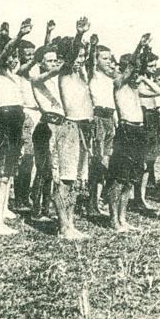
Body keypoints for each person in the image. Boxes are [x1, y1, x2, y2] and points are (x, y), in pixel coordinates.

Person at [106, 33, 160, 231]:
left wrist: (144, 77)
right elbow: (128, 69)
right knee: (120, 178)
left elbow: (158, 91)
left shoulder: (135, 88)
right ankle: (114, 220)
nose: (135, 75)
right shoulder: (119, 84)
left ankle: (123, 218)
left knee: (130, 179)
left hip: (139, 131)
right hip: (126, 130)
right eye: (134, 72)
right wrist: (139, 46)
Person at [0, 18, 32, 235]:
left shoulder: (13, 74)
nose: (12, 58)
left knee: (6, 175)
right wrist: (19, 36)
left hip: (14, 120)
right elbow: (5, 52)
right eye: (10, 54)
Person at [53, 17, 95, 239]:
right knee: (66, 179)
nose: (81, 60)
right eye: (79, 56)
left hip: (84, 129)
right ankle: (63, 227)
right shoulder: (66, 72)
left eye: (83, 56)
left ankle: (70, 223)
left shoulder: (80, 76)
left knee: (77, 180)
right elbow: (70, 58)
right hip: (70, 128)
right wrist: (79, 35)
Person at [29, 42, 63, 222]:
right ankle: (37, 211)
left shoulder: (58, 81)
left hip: (60, 126)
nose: (53, 63)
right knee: (44, 171)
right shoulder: (36, 79)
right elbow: (47, 74)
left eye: (55, 60)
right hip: (46, 126)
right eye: (49, 61)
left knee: (54, 171)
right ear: (41, 63)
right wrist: (58, 68)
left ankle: (46, 208)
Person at [87, 36, 117, 216]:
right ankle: (92, 204)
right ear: (96, 60)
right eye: (104, 58)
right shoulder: (93, 74)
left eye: (110, 58)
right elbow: (90, 62)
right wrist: (92, 46)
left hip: (109, 118)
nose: (109, 62)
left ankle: (98, 202)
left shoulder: (109, 78)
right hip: (98, 117)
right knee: (98, 162)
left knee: (107, 160)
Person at [14, 39, 39, 211]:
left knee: (33, 159)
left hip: (38, 113)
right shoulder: (18, 69)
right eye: (27, 54)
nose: (30, 57)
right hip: (26, 113)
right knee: (25, 158)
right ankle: (19, 198)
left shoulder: (35, 69)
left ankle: (27, 196)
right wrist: (35, 59)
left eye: (33, 53)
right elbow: (26, 68)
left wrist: (48, 34)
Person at [138, 47, 160, 210]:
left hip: (153, 118)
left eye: (155, 66)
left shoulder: (148, 79)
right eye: (151, 66)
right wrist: (146, 79)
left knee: (150, 162)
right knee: (142, 162)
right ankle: (138, 196)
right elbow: (158, 91)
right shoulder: (139, 81)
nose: (154, 69)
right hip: (144, 117)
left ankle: (142, 196)